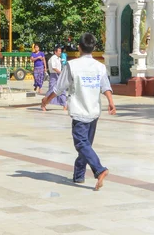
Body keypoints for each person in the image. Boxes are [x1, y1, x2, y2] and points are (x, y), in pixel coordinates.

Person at [41, 33, 116, 191]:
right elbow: (106, 86)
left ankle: (99, 170)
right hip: (94, 111)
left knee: (81, 144)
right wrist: (111, 102)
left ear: (79, 47)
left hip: (80, 111)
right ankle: (79, 175)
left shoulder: (72, 65)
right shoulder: (100, 67)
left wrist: (46, 100)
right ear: (93, 48)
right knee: (85, 145)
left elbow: (58, 87)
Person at [43, 46, 66, 111]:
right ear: (55, 52)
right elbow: (54, 67)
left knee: (62, 89)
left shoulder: (59, 58)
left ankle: (64, 104)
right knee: (51, 90)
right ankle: (44, 103)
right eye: (59, 51)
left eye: (60, 51)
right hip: (54, 75)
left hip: (59, 75)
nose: (60, 53)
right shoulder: (53, 58)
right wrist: (60, 72)